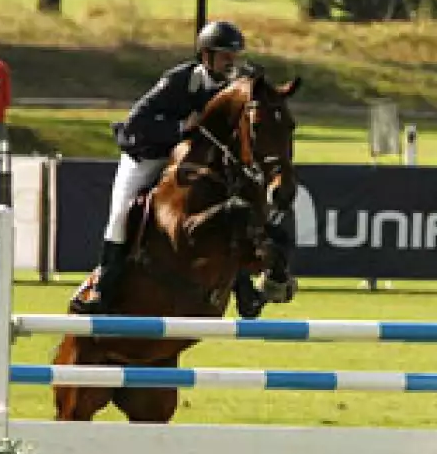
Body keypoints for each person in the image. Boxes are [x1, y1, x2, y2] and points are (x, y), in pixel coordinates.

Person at [68, 20, 292, 318]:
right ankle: (103, 285)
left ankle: (245, 290)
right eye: (225, 56)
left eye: (235, 56)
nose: (231, 63)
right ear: (205, 56)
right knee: (121, 214)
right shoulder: (179, 81)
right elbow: (137, 124)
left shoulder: (234, 89)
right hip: (148, 155)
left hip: (196, 162)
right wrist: (180, 127)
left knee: (233, 215)